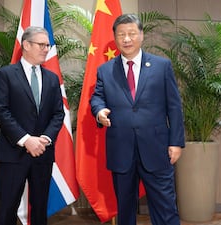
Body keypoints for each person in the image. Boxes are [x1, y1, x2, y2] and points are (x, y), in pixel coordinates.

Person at [90, 14, 185, 225]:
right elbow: (97, 97)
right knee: (125, 210)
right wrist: (99, 111)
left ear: (141, 35)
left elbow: (174, 106)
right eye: (121, 34)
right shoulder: (105, 70)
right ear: (115, 38)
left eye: (132, 33)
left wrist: (176, 142)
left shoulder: (162, 66)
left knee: (165, 207)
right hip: (121, 150)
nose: (127, 39)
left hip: (157, 148)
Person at [0, 26, 65, 225]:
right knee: (8, 207)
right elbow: (0, 111)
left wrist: (45, 138)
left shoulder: (52, 78)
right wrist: (26, 140)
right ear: (26, 45)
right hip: (12, 153)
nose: (46, 49)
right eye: (41, 45)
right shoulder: (5, 74)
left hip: (43, 152)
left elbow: (58, 113)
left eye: (47, 45)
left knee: (40, 208)